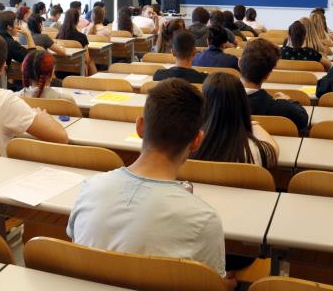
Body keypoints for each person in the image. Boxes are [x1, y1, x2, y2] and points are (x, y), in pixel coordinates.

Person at [67, 79, 234, 286]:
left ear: (140, 127)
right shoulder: (205, 220)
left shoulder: (90, 188)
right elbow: (209, 284)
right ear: (197, 141)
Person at [193, 73, 278, 168]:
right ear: (243, 102)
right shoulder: (257, 152)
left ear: (204, 104)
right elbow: (274, 150)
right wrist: (247, 119)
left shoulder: (189, 146)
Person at [240, 38, 309, 131]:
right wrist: (288, 100)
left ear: (239, 63)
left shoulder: (220, 99)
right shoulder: (280, 107)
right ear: (268, 75)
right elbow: (303, 119)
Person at [58, 9, 97, 75]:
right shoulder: (82, 37)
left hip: (59, 70)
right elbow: (87, 59)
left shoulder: (58, 36)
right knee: (91, 62)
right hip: (78, 71)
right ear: (77, 20)